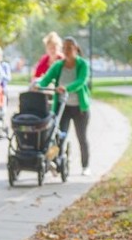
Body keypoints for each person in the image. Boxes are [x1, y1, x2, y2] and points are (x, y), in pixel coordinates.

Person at [33, 36, 91, 175]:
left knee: (81, 137)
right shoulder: (58, 65)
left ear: (76, 49)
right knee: (58, 136)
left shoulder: (82, 64)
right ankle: (56, 162)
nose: (66, 51)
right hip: (62, 107)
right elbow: (46, 79)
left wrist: (66, 88)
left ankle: (85, 166)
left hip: (79, 107)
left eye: (69, 48)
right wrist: (39, 86)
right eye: (64, 48)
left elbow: (81, 81)